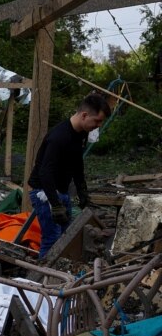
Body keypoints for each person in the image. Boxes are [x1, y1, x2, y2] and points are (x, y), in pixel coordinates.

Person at [27, 93, 111, 257]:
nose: (98, 125)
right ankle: (40, 280)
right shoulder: (59, 137)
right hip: (44, 193)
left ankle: (59, 275)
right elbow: (45, 172)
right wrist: (55, 203)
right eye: (97, 121)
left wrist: (82, 192)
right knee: (52, 240)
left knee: (67, 238)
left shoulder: (80, 134)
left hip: (61, 192)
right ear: (84, 115)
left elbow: (77, 163)